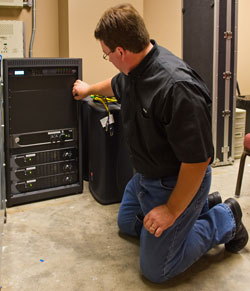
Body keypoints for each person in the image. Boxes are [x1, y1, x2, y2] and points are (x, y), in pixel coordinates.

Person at [72, 3, 248, 283]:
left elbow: (198, 160)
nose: (107, 58)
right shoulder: (133, 70)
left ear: (121, 51)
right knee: (128, 225)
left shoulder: (177, 88)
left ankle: (225, 218)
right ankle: (201, 208)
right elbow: (116, 83)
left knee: (157, 269)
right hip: (145, 176)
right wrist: (88, 89)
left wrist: (171, 210)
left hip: (176, 180)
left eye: (106, 54)